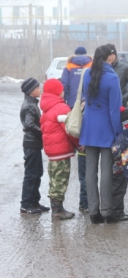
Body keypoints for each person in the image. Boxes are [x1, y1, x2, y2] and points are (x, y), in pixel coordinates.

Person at [80, 45, 123, 224]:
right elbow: (115, 111)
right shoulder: (112, 78)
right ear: (110, 57)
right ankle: (107, 212)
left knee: (90, 170)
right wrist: (118, 134)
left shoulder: (88, 74)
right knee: (106, 171)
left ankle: (93, 212)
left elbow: (84, 98)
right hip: (106, 128)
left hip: (89, 126)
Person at [106, 43, 128, 222]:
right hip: (106, 116)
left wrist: (123, 98)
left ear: (114, 55)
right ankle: (109, 207)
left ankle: (117, 208)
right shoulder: (102, 69)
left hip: (121, 112)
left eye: (111, 56)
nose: (109, 59)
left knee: (120, 156)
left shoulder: (124, 68)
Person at [40, 79, 78, 220]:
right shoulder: (61, 108)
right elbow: (70, 130)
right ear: (57, 91)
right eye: (61, 89)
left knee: (54, 179)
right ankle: (57, 210)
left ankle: (56, 207)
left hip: (52, 151)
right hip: (61, 151)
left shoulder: (47, 108)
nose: (63, 91)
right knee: (60, 180)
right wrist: (78, 144)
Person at [60, 46, 92, 213]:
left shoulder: (69, 66)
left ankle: (78, 144)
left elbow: (63, 85)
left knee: (75, 127)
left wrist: (66, 102)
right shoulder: (91, 65)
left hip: (73, 106)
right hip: (87, 105)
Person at [19, 78, 49, 214]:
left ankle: (34, 202)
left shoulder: (31, 103)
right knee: (31, 175)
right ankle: (26, 205)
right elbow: (29, 124)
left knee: (37, 173)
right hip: (31, 144)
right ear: (31, 91)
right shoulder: (30, 106)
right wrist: (44, 132)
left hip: (34, 144)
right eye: (38, 87)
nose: (40, 89)